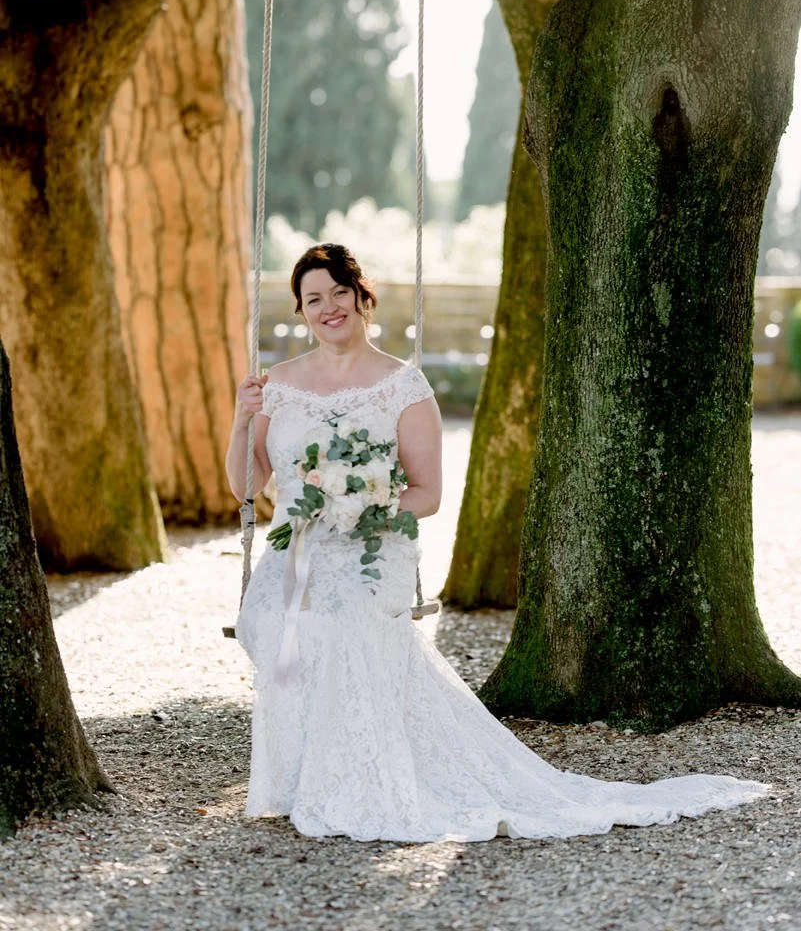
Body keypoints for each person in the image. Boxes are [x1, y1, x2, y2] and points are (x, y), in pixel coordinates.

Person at [227, 242, 767, 843]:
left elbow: (426, 493)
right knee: (276, 613)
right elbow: (247, 487)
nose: (328, 308)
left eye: (338, 294)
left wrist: (357, 509)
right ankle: (297, 779)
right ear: (301, 312)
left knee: (346, 614)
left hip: (372, 543)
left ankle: (357, 779)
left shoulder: (402, 386)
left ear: (361, 297)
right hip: (299, 543)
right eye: (313, 299)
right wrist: (242, 420)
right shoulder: (275, 384)